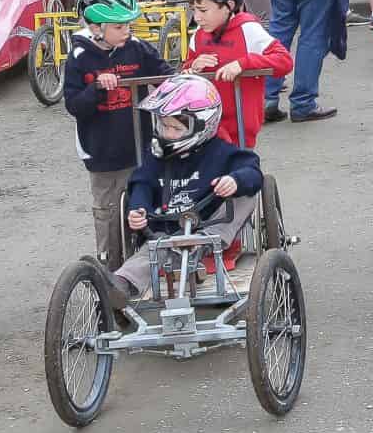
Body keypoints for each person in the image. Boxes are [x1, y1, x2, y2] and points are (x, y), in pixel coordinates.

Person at [104, 75, 263, 313]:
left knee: (247, 191)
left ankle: (195, 255)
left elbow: (252, 170)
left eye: (176, 128)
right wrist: (138, 209)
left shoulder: (221, 152)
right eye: (164, 126)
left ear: (202, 125)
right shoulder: (157, 156)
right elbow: (141, 183)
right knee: (151, 253)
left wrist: (234, 180)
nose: (168, 133)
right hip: (166, 232)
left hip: (211, 229)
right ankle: (121, 284)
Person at [63, 0, 168, 264]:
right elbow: (74, 105)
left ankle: (156, 262)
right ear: (96, 27)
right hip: (103, 153)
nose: (127, 32)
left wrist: (181, 78)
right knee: (109, 214)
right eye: (119, 27)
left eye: (128, 25)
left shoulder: (136, 48)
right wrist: (96, 87)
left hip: (140, 146)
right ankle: (111, 271)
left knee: (150, 204)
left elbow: (163, 73)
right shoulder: (80, 57)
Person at [176, 0, 293, 144]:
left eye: (203, 10)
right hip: (207, 124)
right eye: (193, 10)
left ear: (229, 5)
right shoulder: (199, 34)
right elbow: (187, 68)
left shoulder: (248, 29)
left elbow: (284, 61)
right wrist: (192, 66)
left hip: (240, 126)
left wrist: (243, 64)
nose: (197, 17)